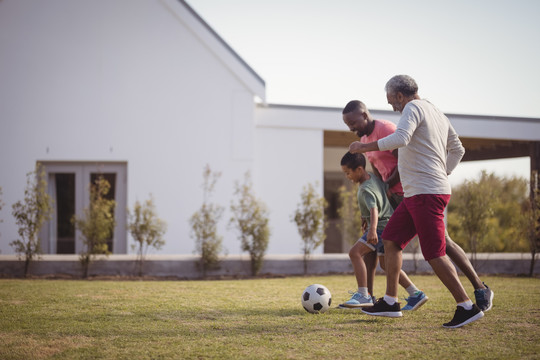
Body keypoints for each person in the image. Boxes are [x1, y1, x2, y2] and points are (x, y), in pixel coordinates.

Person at [349, 75, 484, 328]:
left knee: (434, 252)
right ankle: (390, 301)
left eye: (392, 101)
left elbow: (401, 138)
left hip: (426, 193)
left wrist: (363, 148)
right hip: (416, 193)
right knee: (391, 239)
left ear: (401, 95)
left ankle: (466, 306)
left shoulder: (413, 108)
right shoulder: (435, 111)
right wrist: (443, 172)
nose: (392, 107)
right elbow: (457, 149)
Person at [338, 151, 428, 314]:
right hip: (387, 224)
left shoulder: (365, 188)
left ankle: (363, 294)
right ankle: (415, 293)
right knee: (387, 265)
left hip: (379, 227)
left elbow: (374, 208)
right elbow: (378, 197)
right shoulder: (372, 178)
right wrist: (363, 217)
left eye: (348, 172)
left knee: (354, 253)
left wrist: (372, 228)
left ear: (359, 169)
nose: (347, 176)